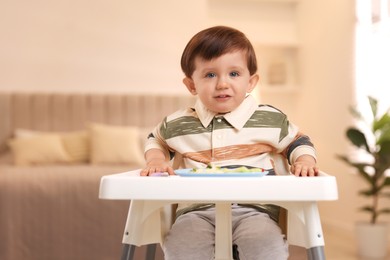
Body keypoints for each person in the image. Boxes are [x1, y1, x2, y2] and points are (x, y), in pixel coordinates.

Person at [140, 26, 318, 260]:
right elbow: (156, 140)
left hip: (256, 210)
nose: (222, 83)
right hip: (196, 210)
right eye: (210, 74)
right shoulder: (179, 122)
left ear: (251, 81)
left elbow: (298, 140)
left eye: (234, 74)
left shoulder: (270, 118)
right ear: (192, 85)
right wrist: (156, 160)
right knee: (182, 245)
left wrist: (304, 160)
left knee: (266, 246)